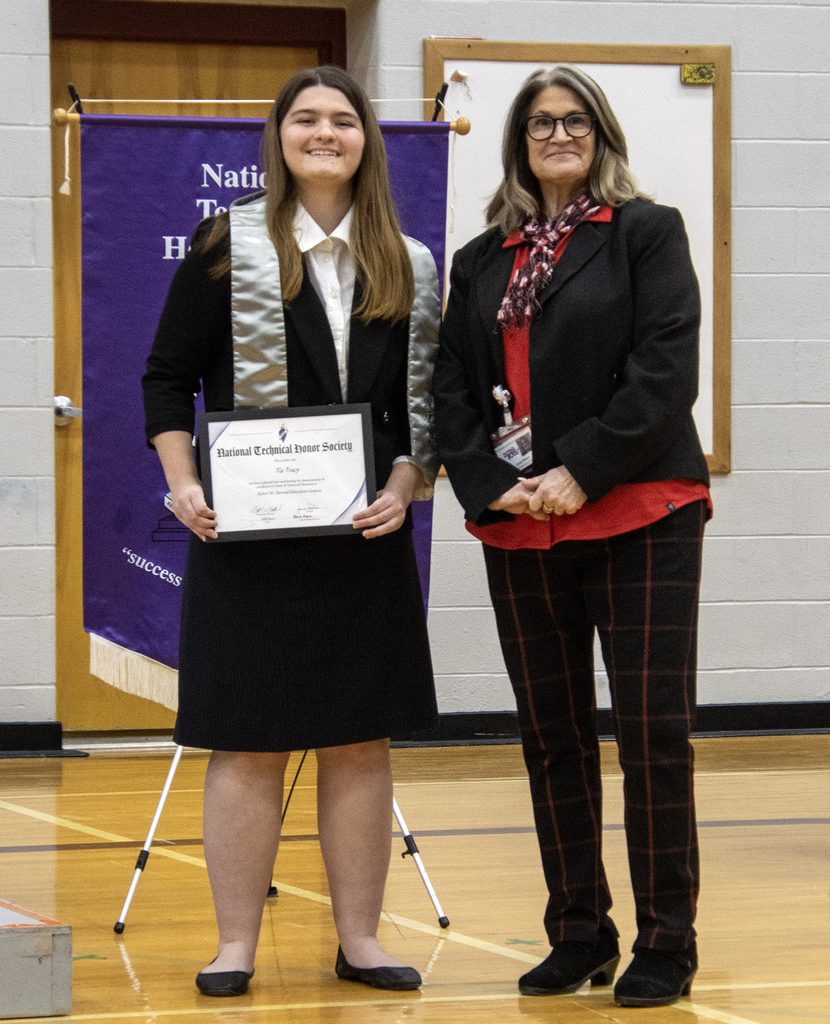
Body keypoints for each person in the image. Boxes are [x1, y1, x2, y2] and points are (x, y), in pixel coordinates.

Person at [142, 66, 440, 996]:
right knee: (248, 740)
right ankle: (235, 946)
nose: (324, 133)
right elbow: (165, 378)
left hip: (361, 539)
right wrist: (184, 485)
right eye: (304, 119)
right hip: (249, 541)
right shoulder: (226, 248)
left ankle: (362, 942)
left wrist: (405, 482)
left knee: (359, 739)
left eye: (342, 120)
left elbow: (421, 406)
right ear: (277, 139)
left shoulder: (409, 261)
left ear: (366, 141)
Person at [433, 65, 711, 1008]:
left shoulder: (646, 232)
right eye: (541, 122)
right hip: (523, 528)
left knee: (651, 735)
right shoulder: (479, 260)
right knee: (552, 740)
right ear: (517, 142)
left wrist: (580, 467)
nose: (560, 134)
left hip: (641, 512)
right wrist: (488, 483)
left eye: (576, 119)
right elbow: (453, 391)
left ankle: (667, 942)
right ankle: (580, 933)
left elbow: (666, 369)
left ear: (602, 133)